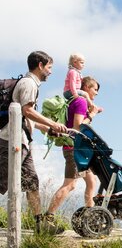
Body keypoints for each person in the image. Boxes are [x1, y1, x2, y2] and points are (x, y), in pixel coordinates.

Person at [0, 51, 68, 233]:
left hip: (23, 142)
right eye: (49, 67)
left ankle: (41, 226)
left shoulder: (30, 84)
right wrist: (53, 122)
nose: (51, 72)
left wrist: (47, 129)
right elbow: (27, 111)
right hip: (10, 140)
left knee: (31, 181)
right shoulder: (29, 83)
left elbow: (25, 116)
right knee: (2, 182)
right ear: (40, 65)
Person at [46, 76, 101, 219]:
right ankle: (48, 217)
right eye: (95, 89)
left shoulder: (73, 100)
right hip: (73, 150)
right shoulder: (81, 101)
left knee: (91, 181)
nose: (96, 93)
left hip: (77, 150)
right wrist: (92, 115)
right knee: (70, 184)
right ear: (86, 88)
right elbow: (78, 127)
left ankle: (90, 216)